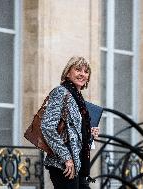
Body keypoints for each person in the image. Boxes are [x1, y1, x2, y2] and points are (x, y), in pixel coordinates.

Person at [41, 56, 100, 189]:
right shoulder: (61, 92)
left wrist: (89, 132)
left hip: (78, 164)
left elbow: (73, 130)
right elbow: (47, 127)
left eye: (86, 71)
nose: (82, 74)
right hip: (64, 165)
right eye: (78, 69)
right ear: (68, 72)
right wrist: (66, 158)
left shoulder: (78, 98)